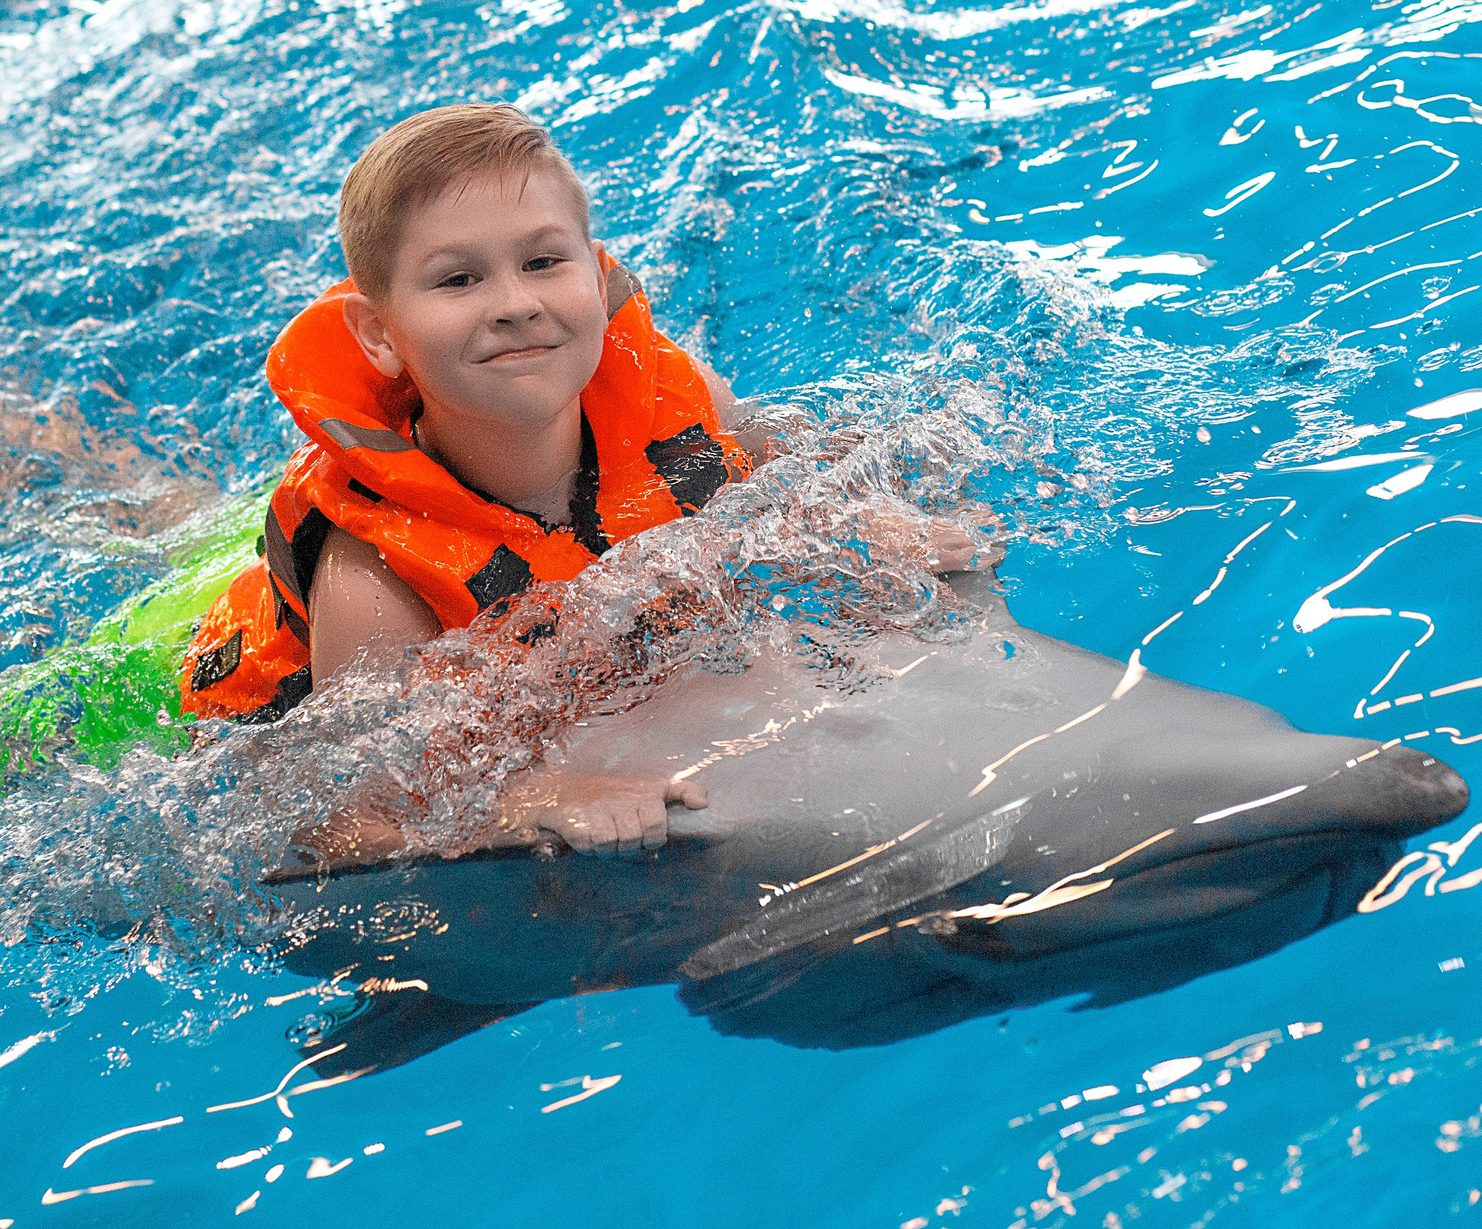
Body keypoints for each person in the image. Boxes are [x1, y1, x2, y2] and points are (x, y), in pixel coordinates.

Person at [179, 104, 994, 860]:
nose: (515, 305)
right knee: (161, 528)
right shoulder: (372, 581)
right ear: (379, 336)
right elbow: (344, 822)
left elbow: (786, 476)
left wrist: (863, 528)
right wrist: (526, 801)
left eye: (543, 261)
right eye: (458, 280)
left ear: (596, 276)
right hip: (219, 655)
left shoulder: (672, 403)